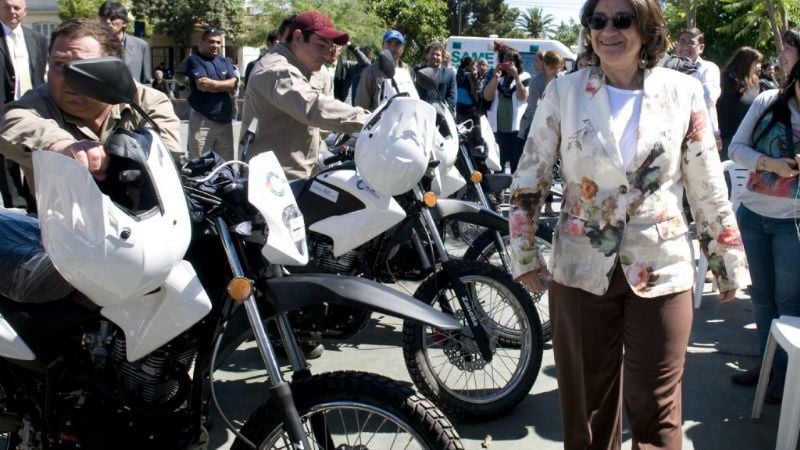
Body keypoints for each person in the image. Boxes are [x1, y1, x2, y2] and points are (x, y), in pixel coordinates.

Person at [508, 0, 750, 448]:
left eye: (622, 19)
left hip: (662, 265)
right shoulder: (565, 91)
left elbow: (707, 183)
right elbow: (529, 179)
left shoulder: (683, 91)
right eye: (598, 21)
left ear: (646, 26)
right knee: (587, 411)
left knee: (658, 412)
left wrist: (726, 259)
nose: (609, 31)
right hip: (580, 266)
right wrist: (523, 252)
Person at [0, 18, 179, 195]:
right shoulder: (39, 102)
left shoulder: (146, 101)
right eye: (59, 65)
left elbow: (168, 158)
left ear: (111, 68)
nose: (67, 77)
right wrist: (61, 145)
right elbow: (14, 122)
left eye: (81, 67)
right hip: (57, 220)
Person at [727, 61, 800, 405]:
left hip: (793, 223)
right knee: (761, 297)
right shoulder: (768, 101)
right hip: (753, 214)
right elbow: (735, 149)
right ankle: (767, 364)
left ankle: (786, 375)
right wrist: (771, 164)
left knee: (789, 302)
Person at [240, 11, 369, 180]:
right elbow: (314, 107)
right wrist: (370, 121)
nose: (327, 55)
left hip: (302, 173)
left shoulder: (310, 69)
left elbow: (320, 120)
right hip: (274, 182)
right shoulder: (276, 70)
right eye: (321, 46)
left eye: (330, 47)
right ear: (298, 37)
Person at [0, 0, 47, 210]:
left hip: (31, 109)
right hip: (3, 110)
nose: (12, 11)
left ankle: (35, 206)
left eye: (16, 7)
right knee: (6, 159)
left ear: (25, 11)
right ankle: (15, 207)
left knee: (35, 158)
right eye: (6, 7)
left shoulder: (36, 39)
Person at [185, 27, 237, 161]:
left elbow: (234, 85)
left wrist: (213, 85)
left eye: (218, 42)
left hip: (224, 121)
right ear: (200, 44)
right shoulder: (194, 60)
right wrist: (224, 85)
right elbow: (202, 85)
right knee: (199, 164)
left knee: (226, 166)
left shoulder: (225, 61)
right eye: (211, 42)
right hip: (202, 120)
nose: (215, 45)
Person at [483, 42, 529, 173]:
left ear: (517, 63)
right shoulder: (498, 78)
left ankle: (516, 190)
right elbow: (487, 97)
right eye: (505, 61)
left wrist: (516, 77)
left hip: (517, 128)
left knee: (517, 163)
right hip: (498, 127)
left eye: (511, 62)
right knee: (499, 162)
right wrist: (496, 77)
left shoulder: (524, 77)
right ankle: (499, 191)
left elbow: (522, 96)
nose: (508, 64)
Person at [676, 27, 722, 150]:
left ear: (701, 48)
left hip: (701, 135)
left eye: (691, 43)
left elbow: (708, 98)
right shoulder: (668, 69)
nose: (685, 46)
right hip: (674, 134)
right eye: (682, 41)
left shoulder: (708, 68)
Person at [717, 47, 763, 161]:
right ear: (745, 63)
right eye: (755, 63)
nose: (758, 66)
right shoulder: (725, 80)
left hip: (750, 138)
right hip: (729, 137)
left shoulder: (754, 80)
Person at [355, 29, 417, 111]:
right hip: (380, 122)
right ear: (382, 46)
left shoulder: (408, 71)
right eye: (389, 43)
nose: (393, 47)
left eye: (397, 44)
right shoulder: (369, 72)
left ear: (403, 48)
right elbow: (361, 106)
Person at [98, 2, 152, 84]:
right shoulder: (94, 44)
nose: (108, 21)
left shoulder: (141, 46)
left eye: (113, 18)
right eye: (104, 18)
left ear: (125, 22)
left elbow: (146, 82)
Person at [519, 50, 563, 139]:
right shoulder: (535, 82)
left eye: (558, 68)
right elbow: (533, 106)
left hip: (555, 124)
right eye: (552, 68)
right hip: (533, 123)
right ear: (545, 65)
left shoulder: (562, 79)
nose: (556, 71)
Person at [416, 42, 457, 114]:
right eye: (432, 54)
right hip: (420, 113)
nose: (434, 56)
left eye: (438, 55)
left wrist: (443, 113)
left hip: (441, 116)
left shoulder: (450, 74)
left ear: (442, 58)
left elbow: (452, 98)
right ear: (426, 55)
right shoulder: (417, 71)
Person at [455, 55, 480, 123]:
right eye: (475, 67)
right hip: (469, 108)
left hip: (459, 106)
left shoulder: (459, 74)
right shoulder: (469, 75)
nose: (476, 69)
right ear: (469, 67)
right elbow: (473, 91)